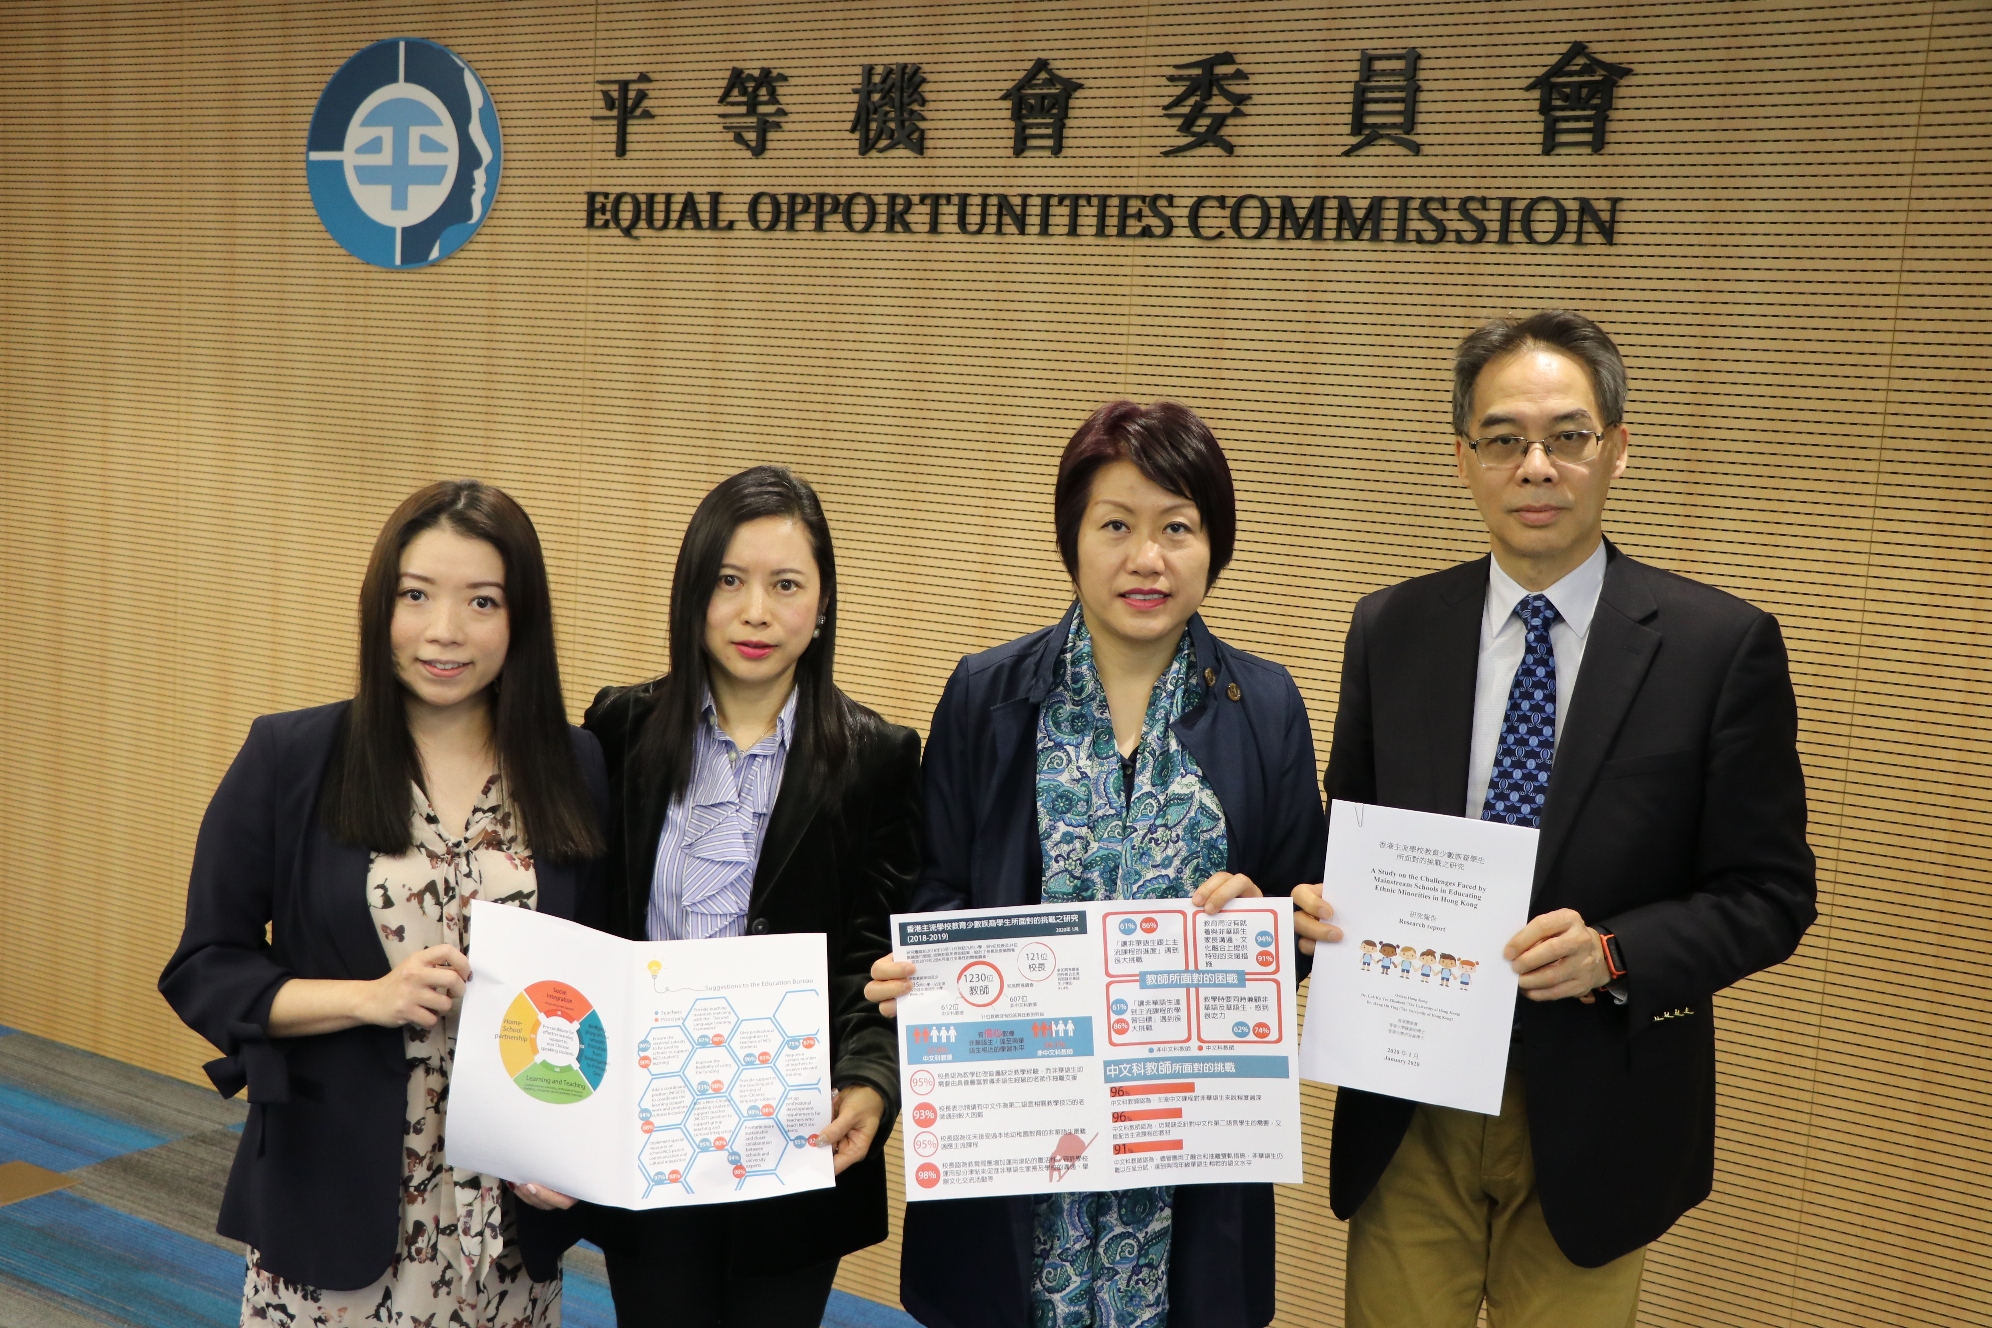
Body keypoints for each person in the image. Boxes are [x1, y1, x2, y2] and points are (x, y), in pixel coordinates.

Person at [1295, 311, 1817, 1327]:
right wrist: (1309, 907)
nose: (1535, 465)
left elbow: (1772, 891)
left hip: (1599, 1111)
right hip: (1412, 1105)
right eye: (1504, 439)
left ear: (1617, 448)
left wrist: (1617, 951)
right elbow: (1344, 839)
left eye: (1566, 436)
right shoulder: (1391, 627)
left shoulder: (1719, 646)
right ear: (1463, 460)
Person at [869, 400, 1328, 1328]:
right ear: (1072, 538)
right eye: (1115, 525)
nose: (1146, 558)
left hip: (1187, 1155)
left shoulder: (1265, 704)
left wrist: (1273, 919)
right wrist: (916, 971)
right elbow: (938, 891)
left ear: (1214, 544)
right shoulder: (988, 695)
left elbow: (1302, 921)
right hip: (1013, 1143)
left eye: (1177, 528)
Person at [159, 480, 609, 1326]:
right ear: (381, 607)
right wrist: (370, 998)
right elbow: (204, 967)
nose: (446, 631)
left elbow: (600, 985)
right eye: (416, 595)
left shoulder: (573, 767)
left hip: (502, 1216)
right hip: (335, 1192)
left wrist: (572, 1153)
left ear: (521, 621)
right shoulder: (291, 757)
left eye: (482, 601)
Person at [565, 465, 920, 1328]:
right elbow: (583, 919)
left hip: (794, 1134)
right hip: (646, 1118)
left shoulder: (877, 756)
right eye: (729, 581)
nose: (756, 611)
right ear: (693, 595)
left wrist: (870, 1081)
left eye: (785, 585)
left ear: (823, 604)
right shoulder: (620, 727)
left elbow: (879, 955)